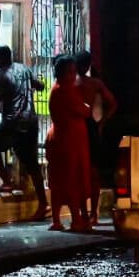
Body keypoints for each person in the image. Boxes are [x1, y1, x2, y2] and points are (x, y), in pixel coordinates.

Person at [0, 45, 49, 220]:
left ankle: (7, 181)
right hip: (31, 120)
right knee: (32, 165)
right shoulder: (23, 68)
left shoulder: (1, 75)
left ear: (1, 58)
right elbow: (39, 86)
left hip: (13, 121)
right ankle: (43, 204)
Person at [45, 55, 91, 232]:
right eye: (70, 72)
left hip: (64, 139)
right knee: (71, 179)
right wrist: (86, 105)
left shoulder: (58, 89)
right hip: (68, 142)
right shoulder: (65, 91)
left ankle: (58, 220)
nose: (73, 76)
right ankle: (76, 219)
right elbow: (85, 110)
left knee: (60, 180)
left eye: (74, 72)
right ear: (61, 73)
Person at [75, 51, 118, 225]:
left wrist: (101, 123)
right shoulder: (93, 83)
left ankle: (87, 213)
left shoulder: (77, 83)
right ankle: (91, 213)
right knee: (92, 174)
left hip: (83, 126)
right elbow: (113, 103)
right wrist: (102, 123)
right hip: (90, 126)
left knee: (85, 172)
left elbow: (112, 103)